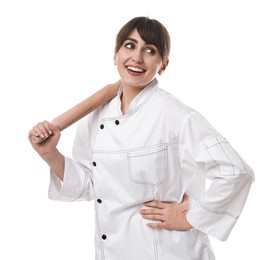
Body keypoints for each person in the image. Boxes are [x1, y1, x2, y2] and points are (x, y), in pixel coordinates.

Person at [28, 16, 254, 260]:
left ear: (163, 65)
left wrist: (191, 217)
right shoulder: (96, 116)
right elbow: (93, 184)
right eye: (129, 45)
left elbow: (236, 171)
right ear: (115, 55)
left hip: (170, 251)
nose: (137, 57)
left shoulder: (175, 115)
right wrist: (49, 154)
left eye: (150, 50)